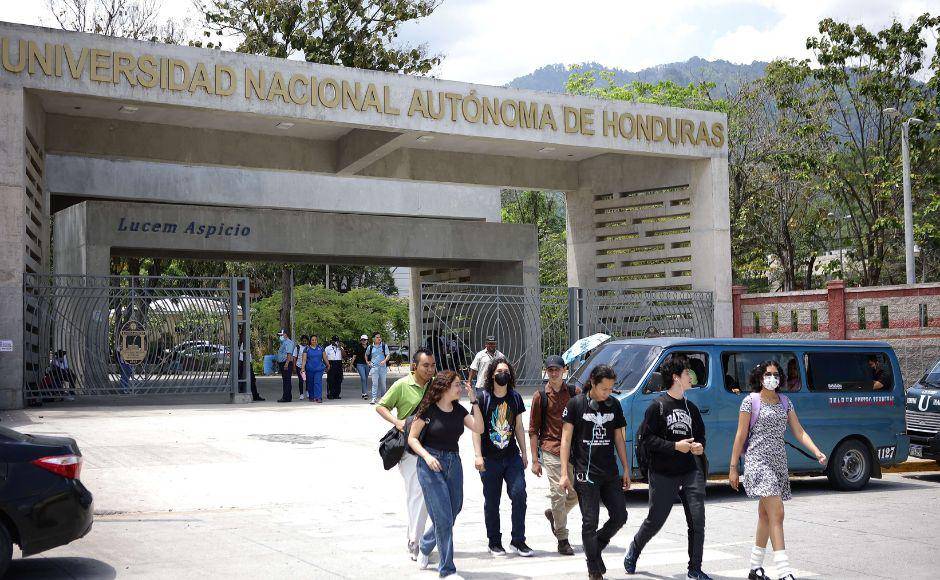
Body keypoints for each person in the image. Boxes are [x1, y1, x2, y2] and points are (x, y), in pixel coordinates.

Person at [729, 360, 828, 580]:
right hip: (758, 462)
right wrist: (733, 466)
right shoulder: (750, 402)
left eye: (776, 374)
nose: (772, 378)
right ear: (760, 377)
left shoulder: (785, 402)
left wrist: (816, 451)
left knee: (765, 516)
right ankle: (784, 572)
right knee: (778, 513)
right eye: (768, 374)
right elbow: (740, 435)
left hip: (778, 463)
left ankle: (755, 568)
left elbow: (799, 431)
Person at [625, 357, 711, 579]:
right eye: (686, 373)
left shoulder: (691, 408)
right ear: (676, 378)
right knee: (656, 519)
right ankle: (635, 547)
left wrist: (699, 447)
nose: (690, 377)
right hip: (663, 472)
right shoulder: (657, 407)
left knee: (697, 518)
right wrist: (675, 446)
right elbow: (646, 440)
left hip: (691, 470)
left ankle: (695, 568)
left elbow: (700, 435)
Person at [408, 370, 485, 579]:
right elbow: (412, 439)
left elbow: (479, 427)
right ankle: (447, 570)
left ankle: (425, 545)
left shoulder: (459, 410)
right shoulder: (428, 410)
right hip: (430, 464)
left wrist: (474, 401)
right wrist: (426, 456)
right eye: (457, 385)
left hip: (453, 462)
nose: (460, 388)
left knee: (454, 509)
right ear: (444, 388)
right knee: (443, 517)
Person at [559, 364, 631, 580]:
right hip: (585, 472)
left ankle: (596, 546)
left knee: (620, 515)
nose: (607, 393)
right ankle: (593, 568)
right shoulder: (575, 405)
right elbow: (565, 439)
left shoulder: (614, 405)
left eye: (611, 389)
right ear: (592, 382)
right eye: (604, 389)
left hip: (609, 471)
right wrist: (564, 472)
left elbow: (619, 437)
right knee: (590, 521)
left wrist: (626, 468)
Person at [376, 348, 437, 561]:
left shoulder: (436, 386)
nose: (430, 370)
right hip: (409, 447)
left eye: (432, 365)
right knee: (417, 492)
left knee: (423, 495)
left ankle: (413, 536)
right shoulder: (402, 385)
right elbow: (381, 406)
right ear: (415, 366)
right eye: (425, 365)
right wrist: (397, 422)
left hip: (433, 446)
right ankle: (416, 541)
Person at [473, 358, 533, 557]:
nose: (502, 374)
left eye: (506, 371)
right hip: (489, 459)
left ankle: (518, 540)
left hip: (511, 457)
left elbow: (518, 427)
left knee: (519, 494)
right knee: (492, 501)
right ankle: (494, 542)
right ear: (492, 374)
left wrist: (525, 453)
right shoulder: (483, 398)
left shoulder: (515, 398)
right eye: (499, 370)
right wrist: (478, 455)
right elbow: (475, 429)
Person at [528, 355, 580, 556]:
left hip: (573, 451)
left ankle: (555, 516)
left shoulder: (575, 392)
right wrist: (535, 460)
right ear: (546, 372)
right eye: (550, 370)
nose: (554, 373)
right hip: (551, 449)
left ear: (564, 370)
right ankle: (563, 538)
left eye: (557, 369)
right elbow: (533, 429)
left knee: (577, 494)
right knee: (558, 494)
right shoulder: (540, 396)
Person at [237, 329, 263, 402]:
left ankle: (254, 395)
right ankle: (253, 395)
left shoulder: (243, 342)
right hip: (245, 363)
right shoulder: (243, 343)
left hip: (245, 362)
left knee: (250, 379)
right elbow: (242, 356)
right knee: (250, 379)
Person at [302, 335, 327, 403]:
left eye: (315, 340)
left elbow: (325, 357)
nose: (314, 341)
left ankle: (318, 397)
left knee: (317, 382)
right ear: (310, 341)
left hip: (319, 369)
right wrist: (302, 368)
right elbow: (304, 360)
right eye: (312, 340)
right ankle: (312, 396)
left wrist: (328, 364)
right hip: (310, 369)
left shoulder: (321, 348)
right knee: (310, 383)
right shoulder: (307, 349)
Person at [368, 332, 391, 404]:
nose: (379, 338)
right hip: (374, 368)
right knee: (374, 383)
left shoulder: (384, 346)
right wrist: (368, 362)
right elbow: (366, 355)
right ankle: (374, 398)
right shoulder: (370, 347)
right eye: (377, 337)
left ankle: (383, 398)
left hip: (382, 368)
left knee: (383, 383)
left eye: (379, 337)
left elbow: (388, 355)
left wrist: (384, 361)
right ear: (373, 339)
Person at [275, 329, 296, 403]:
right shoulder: (284, 342)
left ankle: (286, 397)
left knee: (287, 381)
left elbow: (289, 354)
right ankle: (286, 396)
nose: (280, 336)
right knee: (285, 381)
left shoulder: (288, 342)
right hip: (283, 363)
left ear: (285, 334)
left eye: (281, 335)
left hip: (286, 363)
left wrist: (286, 363)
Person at [354, 335, 370, 400]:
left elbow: (373, 355)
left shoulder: (370, 347)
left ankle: (364, 392)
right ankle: (364, 394)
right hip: (360, 364)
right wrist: (351, 365)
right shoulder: (357, 347)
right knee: (363, 378)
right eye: (362, 340)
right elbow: (354, 356)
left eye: (365, 340)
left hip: (367, 364)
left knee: (365, 378)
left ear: (367, 340)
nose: (363, 341)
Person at [295, 335, 309, 400]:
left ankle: (307, 391)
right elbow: (294, 357)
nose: (304, 342)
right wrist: (294, 367)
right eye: (303, 341)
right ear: (301, 341)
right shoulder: (298, 347)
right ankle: (301, 394)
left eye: (305, 341)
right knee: (301, 380)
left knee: (307, 380)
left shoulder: (309, 348)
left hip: (307, 366)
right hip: (299, 366)